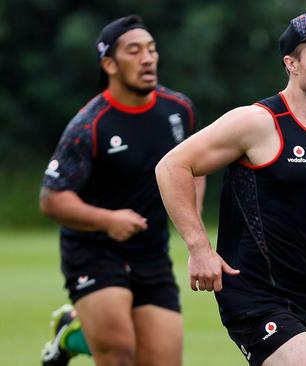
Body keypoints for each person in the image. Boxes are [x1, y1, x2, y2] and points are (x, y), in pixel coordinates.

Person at [155, 10, 306, 366]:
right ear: (291, 63)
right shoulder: (258, 122)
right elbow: (173, 166)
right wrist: (199, 247)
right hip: (254, 293)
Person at [39, 15, 203, 366]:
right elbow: (52, 197)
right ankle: (78, 333)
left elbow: (196, 164)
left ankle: (75, 331)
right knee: (118, 354)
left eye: (151, 49)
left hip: (151, 254)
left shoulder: (179, 110)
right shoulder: (89, 124)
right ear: (109, 64)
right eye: (134, 51)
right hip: (95, 251)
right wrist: (107, 220)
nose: (148, 58)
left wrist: (192, 221)